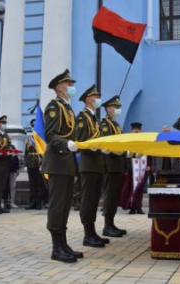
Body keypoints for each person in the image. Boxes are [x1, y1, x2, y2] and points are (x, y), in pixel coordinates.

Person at [41, 69, 82, 263]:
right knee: (58, 205)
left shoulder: (67, 107)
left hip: (67, 162)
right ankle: (56, 248)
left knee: (65, 205)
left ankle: (63, 244)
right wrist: (67, 144)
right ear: (59, 87)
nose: (72, 87)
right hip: (57, 162)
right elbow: (50, 135)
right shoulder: (54, 107)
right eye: (69, 84)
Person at [76, 84, 109, 247]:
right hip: (88, 164)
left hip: (97, 164)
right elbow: (83, 141)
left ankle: (93, 232)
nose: (98, 100)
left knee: (95, 199)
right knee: (88, 200)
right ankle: (87, 234)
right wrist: (97, 148)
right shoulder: (82, 117)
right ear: (88, 99)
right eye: (96, 97)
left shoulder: (94, 117)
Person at [101, 95, 128, 238]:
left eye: (118, 107)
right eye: (115, 107)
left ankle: (111, 224)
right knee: (110, 196)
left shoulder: (116, 124)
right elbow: (108, 143)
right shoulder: (105, 124)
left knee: (115, 195)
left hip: (118, 165)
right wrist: (120, 150)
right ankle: (107, 225)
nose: (118, 109)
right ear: (108, 108)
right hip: (110, 164)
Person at [25, 119, 45, 210]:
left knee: (39, 184)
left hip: (39, 161)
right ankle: (31, 202)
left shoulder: (41, 138)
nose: (34, 128)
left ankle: (38, 203)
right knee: (32, 183)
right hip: (30, 162)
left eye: (35, 126)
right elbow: (26, 151)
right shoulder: (29, 138)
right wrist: (26, 163)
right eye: (33, 126)